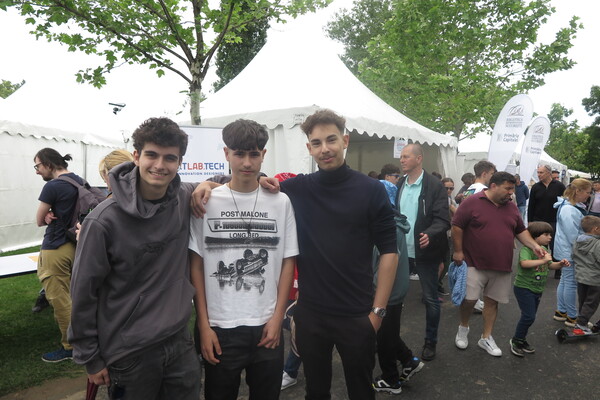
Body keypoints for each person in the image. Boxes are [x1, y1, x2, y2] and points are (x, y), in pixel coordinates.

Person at [192, 109, 398, 400]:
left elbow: (389, 250)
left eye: (331, 140)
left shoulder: (371, 190)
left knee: (361, 391)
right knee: (315, 392)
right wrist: (207, 185)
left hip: (357, 313)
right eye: (316, 143)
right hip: (311, 315)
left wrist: (377, 312)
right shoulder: (296, 189)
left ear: (345, 141)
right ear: (309, 148)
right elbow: (244, 185)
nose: (325, 149)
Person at [68, 118, 202, 399]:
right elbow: (83, 293)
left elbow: (228, 182)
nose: (160, 165)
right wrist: (90, 356)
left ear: (180, 163)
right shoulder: (102, 221)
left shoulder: (182, 197)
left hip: (179, 341)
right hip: (130, 351)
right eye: (152, 155)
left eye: (170, 158)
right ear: (137, 156)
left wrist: (256, 181)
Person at [189, 119, 298, 400]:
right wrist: (204, 325)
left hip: (266, 325)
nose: (247, 162)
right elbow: (196, 264)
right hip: (220, 327)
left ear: (263, 154)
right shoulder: (206, 201)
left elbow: (287, 261)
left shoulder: (281, 202)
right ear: (227, 154)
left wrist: (278, 318)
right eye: (239, 154)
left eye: (254, 154)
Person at [452, 172, 544, 357]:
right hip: (473, 262)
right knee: (469, 300)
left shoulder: (511, 207)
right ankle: (463, 327)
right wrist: (458, 251)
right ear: (493, 186)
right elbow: (457, 226)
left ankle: (486, 337)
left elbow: (520, 230)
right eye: (508, 188)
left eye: (512, 189)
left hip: (501, 264)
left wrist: (534, 245)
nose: (511, 193)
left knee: (492, 302)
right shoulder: (472, 201)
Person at [396, 143, 450, 361]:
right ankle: (389, 340)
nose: (401, 160)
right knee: (393, 297)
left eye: (406, 156)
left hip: (426, 251)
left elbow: (443, 220)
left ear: (419, 159)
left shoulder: (434, 185)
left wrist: (430, 233)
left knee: (430, 299)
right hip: (400, 251)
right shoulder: (400, 183)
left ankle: (430, 341)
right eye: (401, 156)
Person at [372, 176, 424, 394]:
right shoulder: (394, 222)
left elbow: (383, 264)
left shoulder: (387, 226)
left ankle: (391, 379)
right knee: (389, 332)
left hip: (386, 292)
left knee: (383, 337)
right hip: (395, 289)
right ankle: (409, 360)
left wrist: (374, 292)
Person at [33, 148, 82, 362]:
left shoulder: (52, 186)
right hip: (75, 245)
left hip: (55, 247)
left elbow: (39, 220)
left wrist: (48, 215)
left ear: (48, 164)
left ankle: (71, 347)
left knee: (60, 299)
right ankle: (85, 339)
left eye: (37, 166)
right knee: (74, 296)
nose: (37, 171)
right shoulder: (78, 180)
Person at [509, 222, 570, 357]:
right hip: (524, 288)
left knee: (530, 317)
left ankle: (521, 339)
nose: (550, 237)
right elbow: (524, 263)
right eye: (546, 234)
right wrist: (543, 261)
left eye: (550, 234)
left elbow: (550, 265)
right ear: (535, 236)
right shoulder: (527, 249)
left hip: (537, 289)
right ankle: (516, 341)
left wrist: (560, 264)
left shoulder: (544, 249)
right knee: (528, 316)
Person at [553, 178, 592, 327]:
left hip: (566, 249)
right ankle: (572, 316)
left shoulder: (567, 206)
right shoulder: (569, 209)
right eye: (587, 192)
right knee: (570, 283)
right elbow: (573, 235)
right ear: (578, 191)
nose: (588, 195)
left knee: (565, 280)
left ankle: (562, 311)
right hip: (570, 251)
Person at [461, 160, 497, 313]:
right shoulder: (483, 190)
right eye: (492, 174)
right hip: (478, 235)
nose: (493, 177)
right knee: (478, 271)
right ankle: (473, 300)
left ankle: (473, 299)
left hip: (468, 233)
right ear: (484, 174)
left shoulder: (469, 189)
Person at [571, 215, 600, 334]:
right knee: (591, 303)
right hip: (595, 279)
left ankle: (582, 321)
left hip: (580, 276)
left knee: (583, 300)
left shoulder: (577, 241)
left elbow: (573, 256)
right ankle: (581, 324)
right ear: (596, 229)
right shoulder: (597, 244)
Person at [438, 177, 457, 295]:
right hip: (440, 235)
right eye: (446, 188)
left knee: (446, 262)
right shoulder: (439, 200)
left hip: (448, 234)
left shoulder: (450, 200)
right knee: (442, 263)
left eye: (451, 188)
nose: (449, 190)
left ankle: (437, 285)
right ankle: (434, 287)